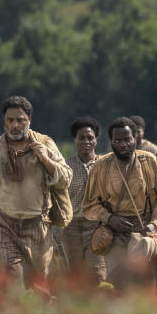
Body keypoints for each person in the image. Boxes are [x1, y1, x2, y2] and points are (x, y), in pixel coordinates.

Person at [0, 96, 72, 291]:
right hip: (3, 224)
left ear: (29, 120)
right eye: (10, 120)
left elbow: (66, 177)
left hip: (38, 225)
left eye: (20, 120)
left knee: (38, 284)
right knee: (10, 279)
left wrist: (45, 159)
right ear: (4, 121)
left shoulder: (45, 144)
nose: (15, 125)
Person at [82, 116, 157, 288]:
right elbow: (89, 205)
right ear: (111, 141)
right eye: (117, 140)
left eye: (127, 139)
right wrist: (110, 219)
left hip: (144, 230)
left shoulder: (150, 161)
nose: (123, 144)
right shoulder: (101, 166)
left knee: (144, 280)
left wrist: (154, 225)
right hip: (113, 232)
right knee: (117, 279)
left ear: (135, 139)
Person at [60, 116, 107, 283]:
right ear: (75, 140)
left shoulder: (106, 164)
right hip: (71, 227)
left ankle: (101, 305)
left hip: (97, 225)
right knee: (76, 273)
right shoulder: (65, 167)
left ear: (96, 139)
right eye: (81, 138)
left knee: (98, 272)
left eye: (90, 138)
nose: (86, 141)